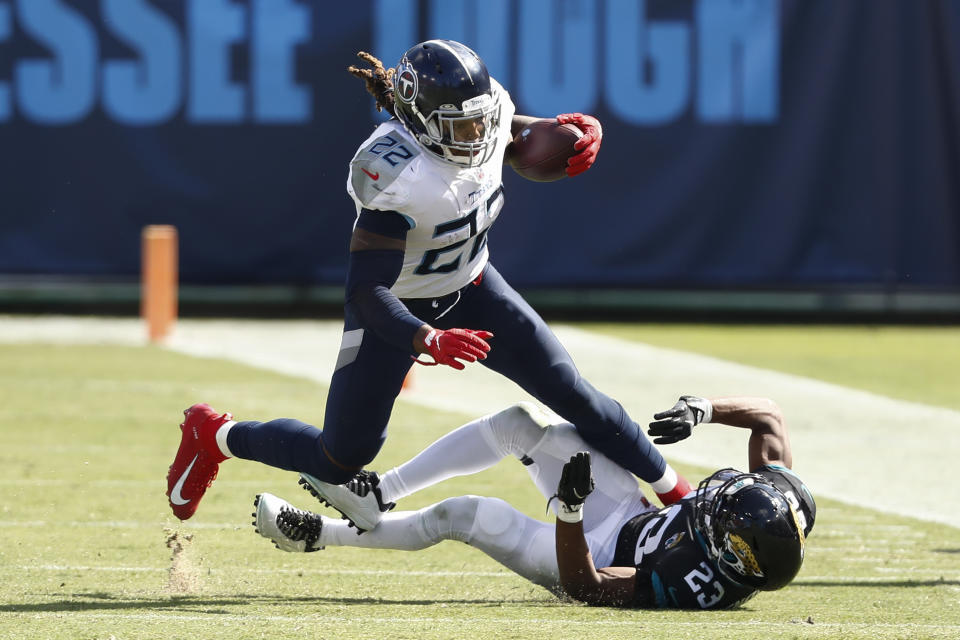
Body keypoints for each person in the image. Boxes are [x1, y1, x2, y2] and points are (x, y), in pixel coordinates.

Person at [165, 39, 690, 528]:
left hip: (474, 284)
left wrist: (571, 134)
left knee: (575, 395)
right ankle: (214, 434)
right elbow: (366, 292)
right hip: (400, 307)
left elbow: (512, 132)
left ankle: (680, 497)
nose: (478, 138)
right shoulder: (393, 173)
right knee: (341, 457)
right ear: (420, 122)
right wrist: (425, 337)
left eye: (481, 122)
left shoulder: (484, 112)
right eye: (461, 128)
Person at [250, 396, 815, 609]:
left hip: (593, 550)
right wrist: (703, 408)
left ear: (723, 551)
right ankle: (380, 492)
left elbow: (586, 585)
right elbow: (768, 416)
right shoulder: (782, 504)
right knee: (519, 424)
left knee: (467, 515)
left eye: (719, 510)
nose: (715, 492)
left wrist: (569, 510)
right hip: (634, 512)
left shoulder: (691, 581)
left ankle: (319, 533)